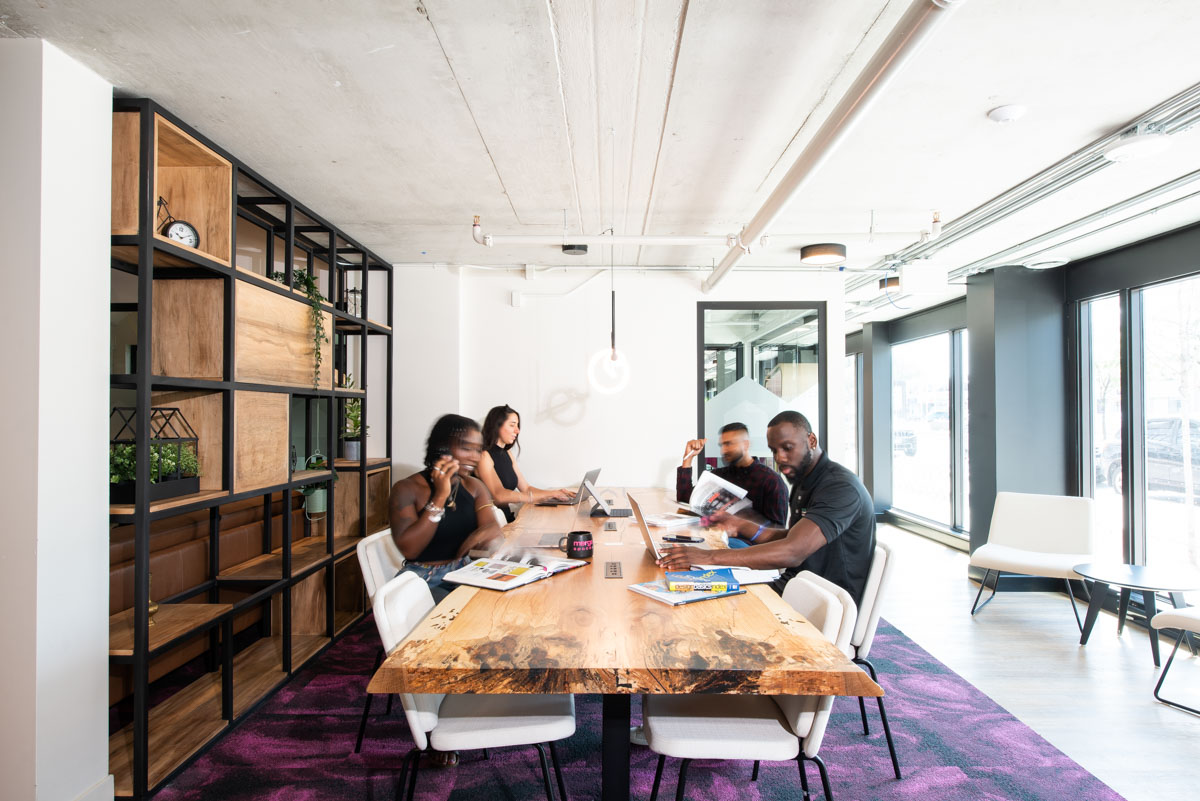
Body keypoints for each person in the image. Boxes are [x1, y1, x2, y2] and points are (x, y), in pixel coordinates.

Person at [658, 410, 876, 607]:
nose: (779, 458)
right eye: (774, 450)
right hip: (795, 584)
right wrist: (742, 525)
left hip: (823, 601)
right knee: (688, 588)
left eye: (787, 448)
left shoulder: (840, 487)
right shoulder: (805, 481)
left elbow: (792, 550)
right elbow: (791, 536)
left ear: (811, 440)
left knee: (710, 604)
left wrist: (708, 557)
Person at [389, 413, 503, 604]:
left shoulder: (475, 487)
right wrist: (440, 496)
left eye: (478, 450)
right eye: (467, 448)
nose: (475, 457)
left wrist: (473, 542)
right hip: (423, 580)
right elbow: (410, 550)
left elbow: (492, 531)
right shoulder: (406, 488)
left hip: (464, 572)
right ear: (442, 448)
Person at [676, 422, 789, 540]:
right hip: (713, 539)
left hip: (748, 549)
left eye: (728, 444)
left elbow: (777, 533)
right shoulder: (718, 475)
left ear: (746, 445)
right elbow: (685, 500)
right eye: (722, 445)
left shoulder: (771, 481)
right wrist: (688, 458)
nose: (724, 450)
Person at [476, 405, 573, 522]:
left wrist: (555, 494)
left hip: (507, 519)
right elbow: (499, 495)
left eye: (517, 425)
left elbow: (526, 488)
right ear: (497, 426)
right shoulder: (484, 456)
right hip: (494, 523)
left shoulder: (507, 454)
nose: (517, 431)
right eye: (512, 425)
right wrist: (549, 495)